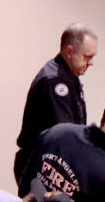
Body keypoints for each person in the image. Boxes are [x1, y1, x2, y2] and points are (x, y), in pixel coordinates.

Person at [13, 23, 98, 184]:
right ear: (69, 51)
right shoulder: (55, 81)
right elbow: (65, 134)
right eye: (87, 56)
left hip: (51, 163)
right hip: (40, 165)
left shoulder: (69, 77)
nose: (91, 62)